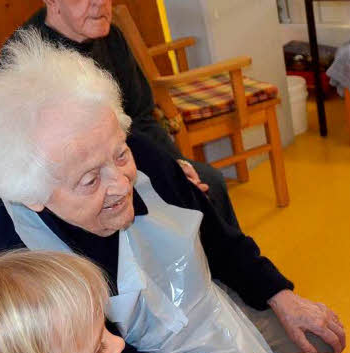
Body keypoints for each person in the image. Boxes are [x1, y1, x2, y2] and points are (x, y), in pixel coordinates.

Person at [0, 29, 344, 353]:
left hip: (194, 312)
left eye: (120, 155)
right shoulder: (17, 260)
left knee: (317, 349)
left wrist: (281, 295)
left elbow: (216, 237)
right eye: (90, 180)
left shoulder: (123, 150)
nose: (120, 183)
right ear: (33, 195)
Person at [23, 0, 245, 238]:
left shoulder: (111, 38)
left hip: (130, 158)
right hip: (83, 189)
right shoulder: (28, 57)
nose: (99, 3)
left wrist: (176, 164)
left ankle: (221, 272)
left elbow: (142, 116)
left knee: (208, 183)